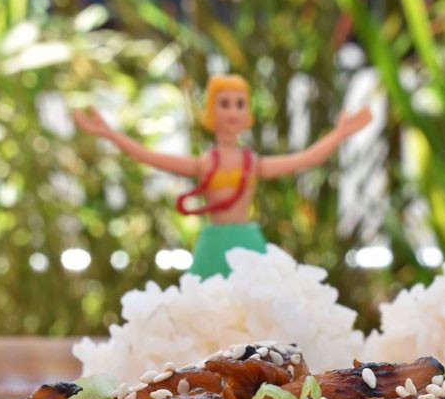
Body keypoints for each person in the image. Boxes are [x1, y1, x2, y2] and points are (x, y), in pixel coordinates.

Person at [73, 75, 372, 277]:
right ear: (211, 111)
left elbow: (304, 159)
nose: (232, 112)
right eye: (224, 104)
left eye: (239, 104)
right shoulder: (205, 163)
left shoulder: (252, 163)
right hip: (213, 243)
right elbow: (150, 157)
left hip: (247, 240)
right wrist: (110, 134)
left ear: (247, 113)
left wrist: (339, 134)